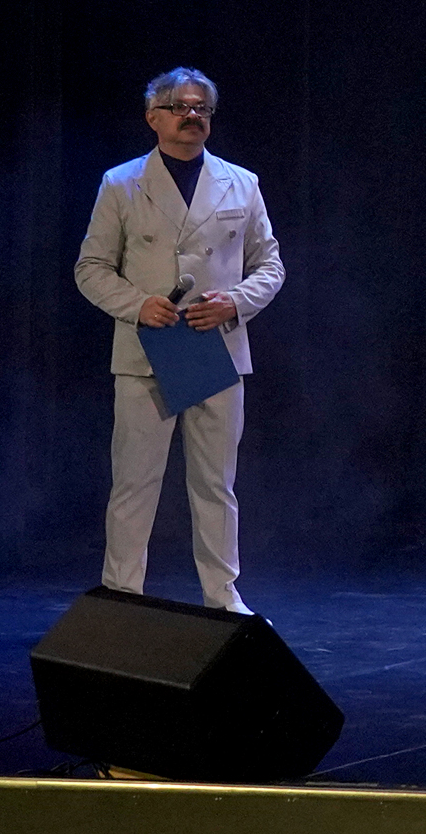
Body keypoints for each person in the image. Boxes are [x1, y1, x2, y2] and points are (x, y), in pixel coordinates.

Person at [73, 68, 284, 613]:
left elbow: (270, 265)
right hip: (149, 349)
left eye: (202, 108)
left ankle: (222, 596)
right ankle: (121, 595)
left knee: (216, 484)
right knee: (135, 482)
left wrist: (234, 302)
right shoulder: (121, 183)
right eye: (180, 107)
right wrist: (137, 304)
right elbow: (91, 268)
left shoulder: (242, 183)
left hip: (215, 349)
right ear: (153, 117)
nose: (193, 116)